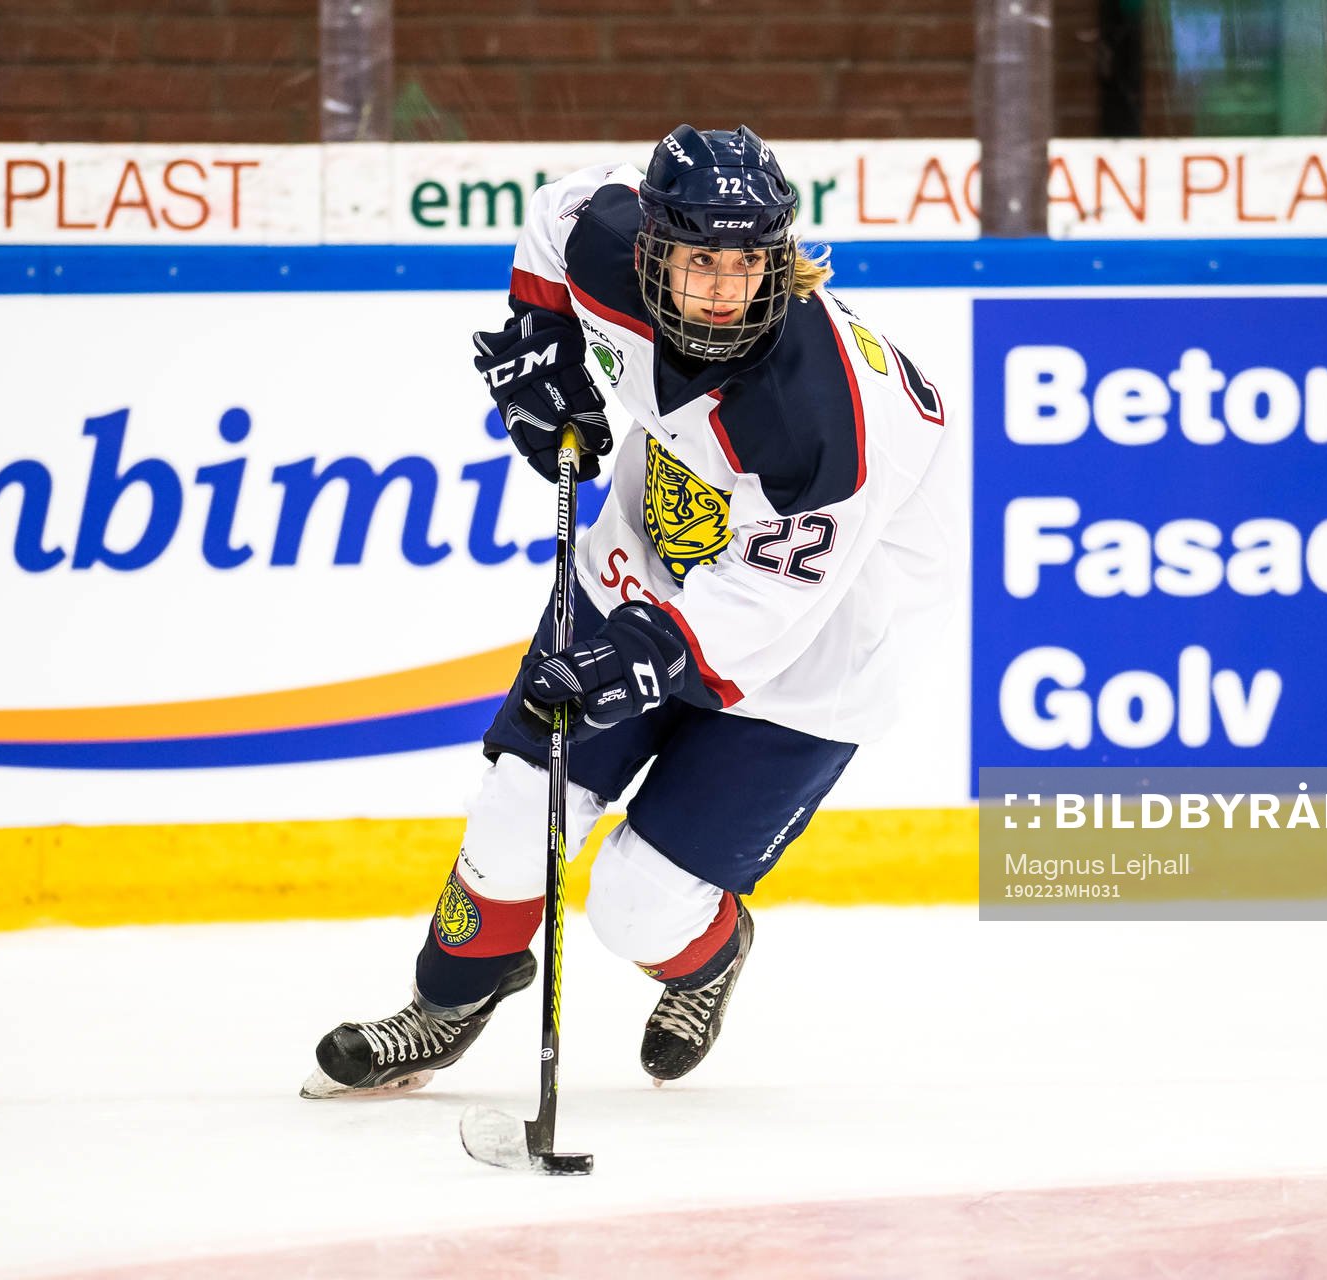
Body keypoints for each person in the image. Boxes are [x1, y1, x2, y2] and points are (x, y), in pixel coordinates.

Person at [301, 124, 953, 1099]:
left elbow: (770, 606)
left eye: (749, 262)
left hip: (802, 661)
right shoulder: (610, 242)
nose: (726, 289)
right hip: (636, 572)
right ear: (651, 250)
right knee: (519, 810)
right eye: (701, 261)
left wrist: (633, 654)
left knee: (636, 908)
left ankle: (711, 952)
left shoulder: (822, 418)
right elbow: (555, 217)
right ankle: (446, 1003)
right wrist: (542, 345)